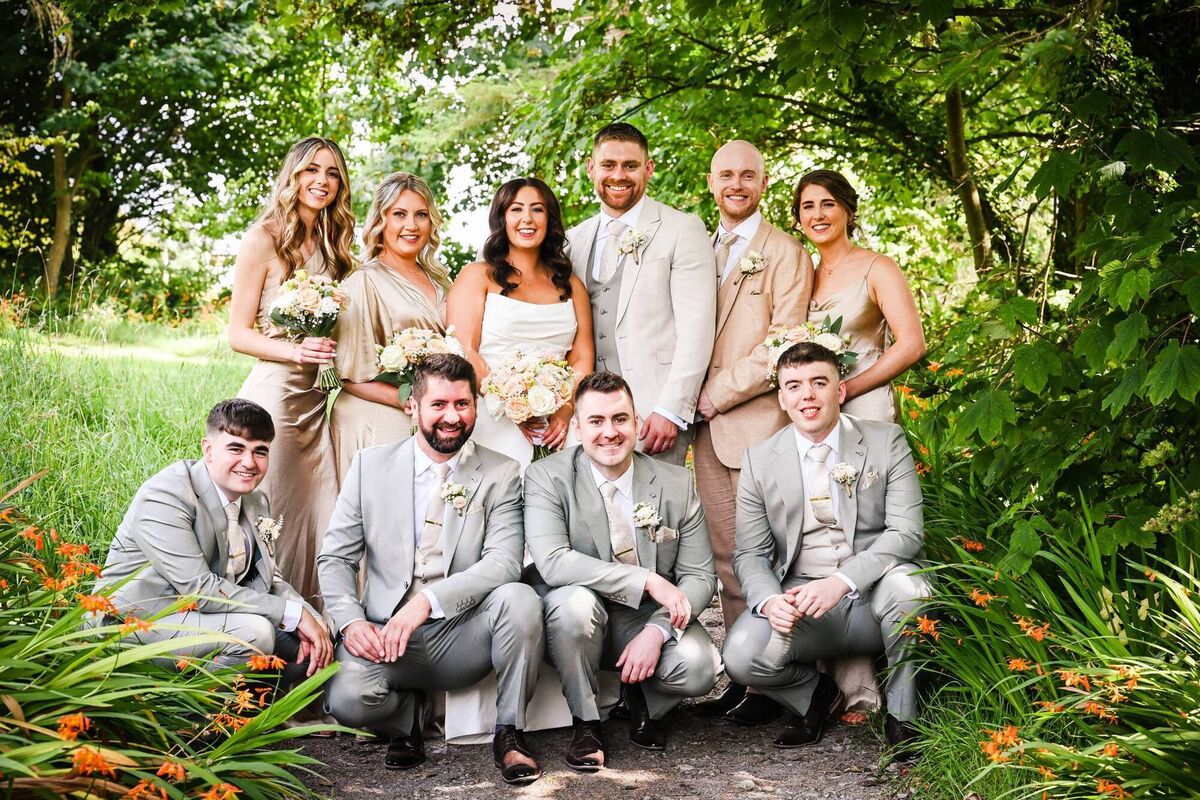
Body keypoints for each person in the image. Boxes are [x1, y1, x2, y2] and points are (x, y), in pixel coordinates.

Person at [319, 354, 545, 784]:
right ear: (412, 406)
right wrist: (351, 623)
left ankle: (510, 732)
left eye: (462, 404)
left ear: (476, 406)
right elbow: (335, 558)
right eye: (439, 404)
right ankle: (408, 718)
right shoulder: (370, 466)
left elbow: (504, 561)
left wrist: (427, 601)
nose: (452, 417)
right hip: (386, 636)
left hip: (463, 632)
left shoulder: (501, 472)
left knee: (519, 598)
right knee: (347, 699)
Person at [723, 342, 929, 757]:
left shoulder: (886, 441)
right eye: (794, 386)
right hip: (804, 603)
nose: (807, 395)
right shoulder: (760, 460)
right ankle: (817, 695)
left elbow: (907, 532)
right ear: (782, 399)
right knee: (741, 658)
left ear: (839, 390)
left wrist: (843, 580)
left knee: (909, 589)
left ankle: (904, 719)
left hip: (876, 593)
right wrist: (768, 600)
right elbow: (750, 553)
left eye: (819, 382)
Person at [524, 372, 720, 768]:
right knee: (574, 604)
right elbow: (553, 560)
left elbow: (700, 575)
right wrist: (646, 578)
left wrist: (658, 629)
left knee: (701, 669)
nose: (609, 433)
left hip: (642, 616)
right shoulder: (546, 477)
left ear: (636, 421)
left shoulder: (676, 482)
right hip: (575, 616)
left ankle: (644, 697)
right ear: (577, 427)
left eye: (620, 419)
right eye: (595, 421)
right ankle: (586, 722)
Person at [794, 169, 927, 723]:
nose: (818, 214)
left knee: (865, 531)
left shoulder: (878, 268)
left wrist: (852, 386)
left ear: (847, 209)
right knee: (823, 531)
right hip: (816, 416)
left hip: (863, 409)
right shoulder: (803, 275)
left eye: (828, 203)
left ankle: (890, 688)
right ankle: (843, 680)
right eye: (806, 206)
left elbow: (912, 343)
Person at [692, 140, 813, 723]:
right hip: (703, 432)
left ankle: (782, 674)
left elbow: (783, 344)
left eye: (748, 175)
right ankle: (745, 677)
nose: (736, 183)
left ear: (764, 183)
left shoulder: (786, 253)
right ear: (711, 182)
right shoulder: (696, 248)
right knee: (724, 556)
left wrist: (716, 393)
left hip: (756, 422)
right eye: (726, 175)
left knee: (770, 554)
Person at [99, 398, 332, 680]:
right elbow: (199, 590)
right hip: (138, 622)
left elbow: (270, 580)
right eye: (236, 449)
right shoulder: (167, 495)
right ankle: (194, 718)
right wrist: (288, 613)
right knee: (255, 634)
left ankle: (260, 708)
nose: (249, 462)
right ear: (208, 450)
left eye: (260, 452)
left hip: (209, 616)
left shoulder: (256, 501)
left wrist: (310, 617)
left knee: (316, 644)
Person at [230, 136, 356, 608]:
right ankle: (261, 614)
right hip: (277, 396)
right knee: (274, 507)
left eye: (332, 174)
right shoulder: (263, 238)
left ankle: (317, 619)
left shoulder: (334, 245)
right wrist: (295, 352)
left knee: (322, 509)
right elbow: (239, 334)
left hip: (319, 400)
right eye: (311, 171)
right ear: (292, 176)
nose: (321, 182)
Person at [566, 122, 716, 466]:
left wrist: (671, 410)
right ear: (591, 169)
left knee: (657, 517)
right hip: (587, 423)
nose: (619, 175)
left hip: (654, 418)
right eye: (608, 165)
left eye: (630, 166)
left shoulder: (681, 229)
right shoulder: (573, 240)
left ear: (648, 169)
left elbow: (697, 330)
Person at [448, 177, 594, 466]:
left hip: (558, 425)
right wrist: (513, 406)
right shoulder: (477, 276)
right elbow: (464, 349)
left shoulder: (572, 285)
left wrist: (563, 411)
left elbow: (582, 357)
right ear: (502, 218)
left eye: (537, 209)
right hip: (494, 418)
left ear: (549, 218)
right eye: (516, 209)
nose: (527, 218)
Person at [330, 172, 450, 482]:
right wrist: (407, 399)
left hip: (432, 416)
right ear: (381, 221)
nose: (412, 225)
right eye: (399, 214)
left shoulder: (440, 280)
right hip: (380, 419)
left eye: (421, 215)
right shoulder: (363, 281)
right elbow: (347, 375)